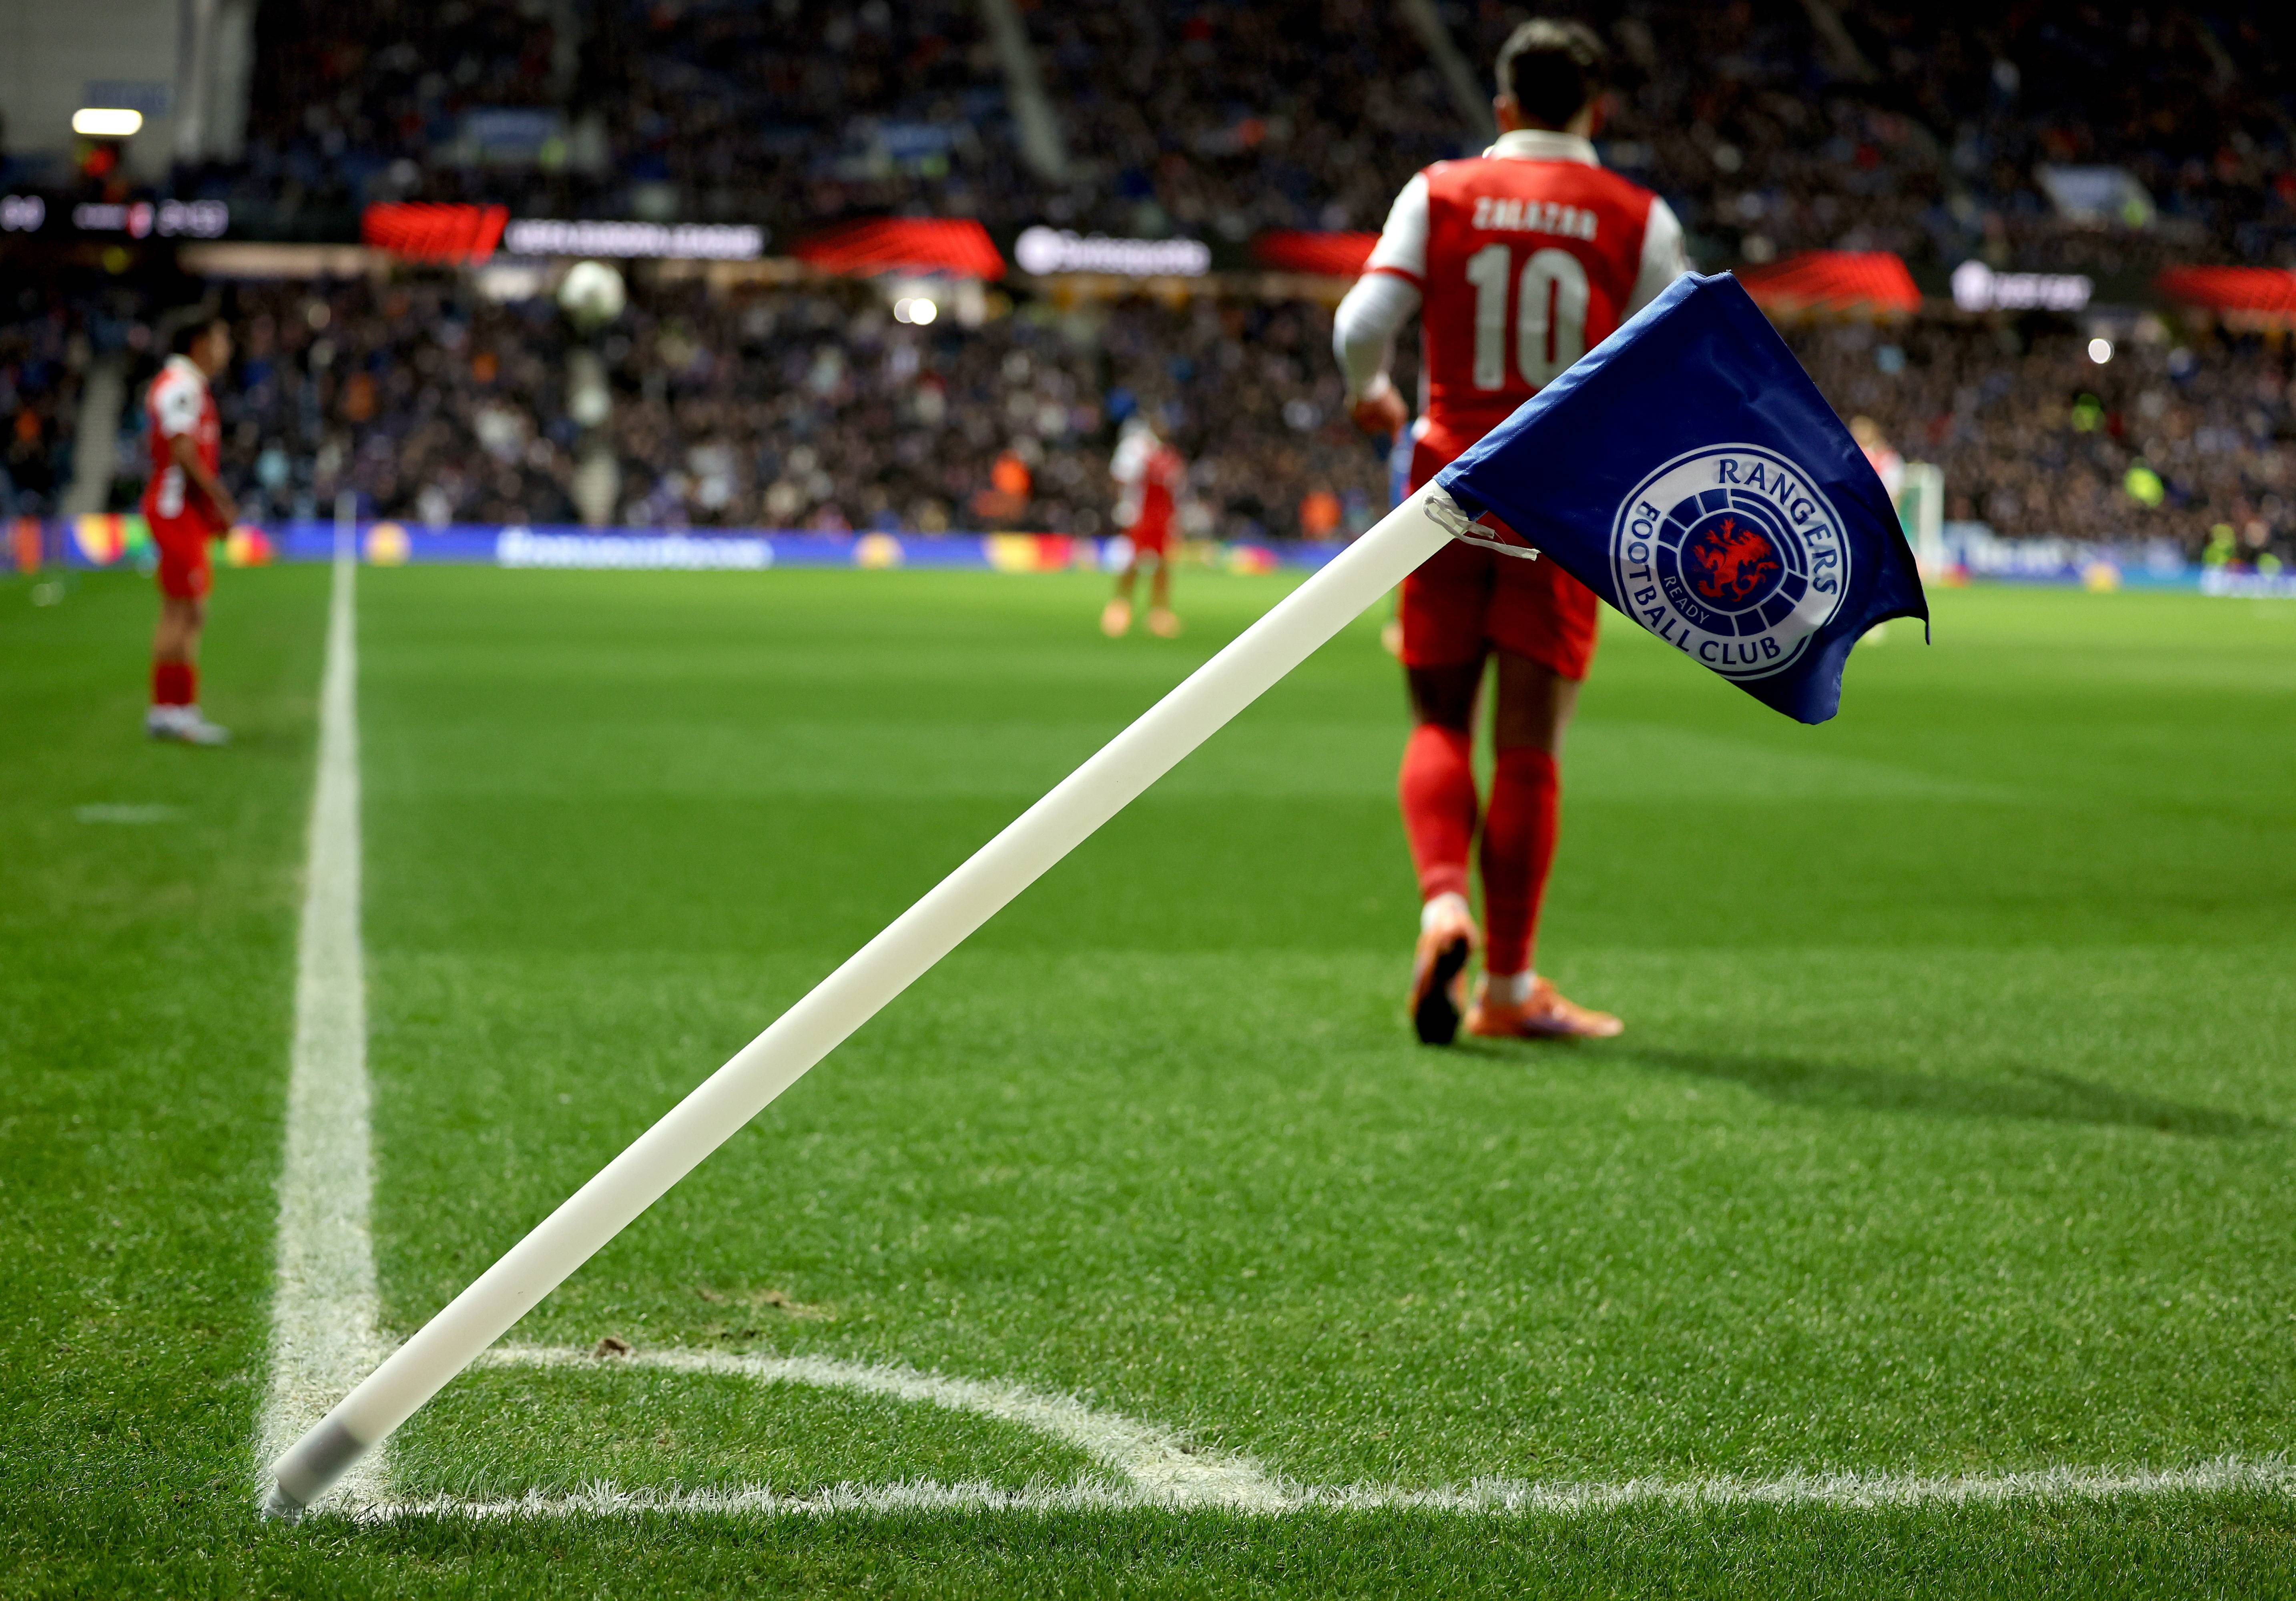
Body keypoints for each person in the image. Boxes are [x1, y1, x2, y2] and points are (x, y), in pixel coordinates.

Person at [1335, 18, 1687, 1043]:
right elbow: (1675, 366)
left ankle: (1443, 905)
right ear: (1597, 110)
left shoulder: (1440, 190)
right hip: (1560, 495)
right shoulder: (1637, 216)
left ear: (1502, 107)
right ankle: (1506, 986)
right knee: (1529, 747)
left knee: (1437, 720)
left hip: (1446, 484)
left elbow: (1360, 326)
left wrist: (1371, 393)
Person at [143, 316, 237, 744]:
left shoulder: (189, 385)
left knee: (185, 609)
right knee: (184, 610)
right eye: (221, 338)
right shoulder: (181, 385)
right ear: (200, 343)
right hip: (174, 508)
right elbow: (182, 450)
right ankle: (174, 711)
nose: (226, 347)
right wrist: (220, 500)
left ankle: (171, 709)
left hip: (184, 511)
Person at [1101, 412, 1186, 639]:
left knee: (1163, 563)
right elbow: (1121, 478)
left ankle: (1159, 612)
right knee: (1134, 561)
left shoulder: (1168, 454)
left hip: (1163, 517)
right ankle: (1120, 606)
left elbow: (1174, 490)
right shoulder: (1137, 448)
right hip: (1140, 515)